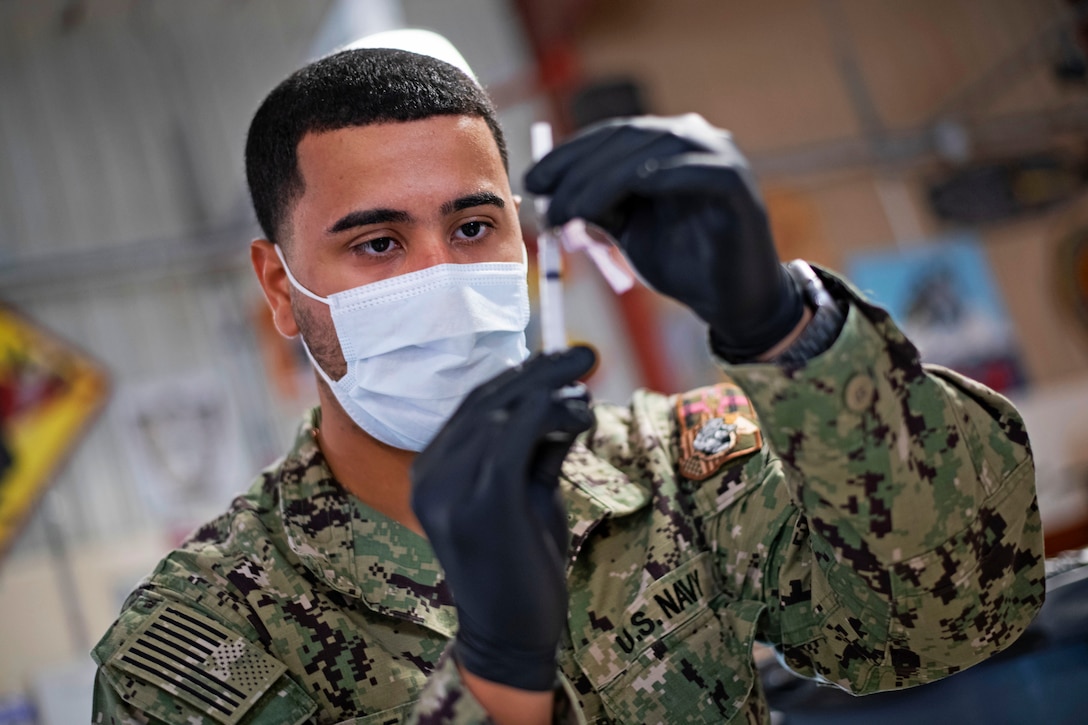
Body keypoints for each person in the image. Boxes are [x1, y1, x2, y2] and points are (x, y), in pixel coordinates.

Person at [91, 37, 1046, 725]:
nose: (444, 283)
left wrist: (787, 326)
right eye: (377, 243)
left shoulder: (673, 470)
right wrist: (497, 678)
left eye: (472, 228)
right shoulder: (203, 642)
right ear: (280, 287)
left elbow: (954, 618)